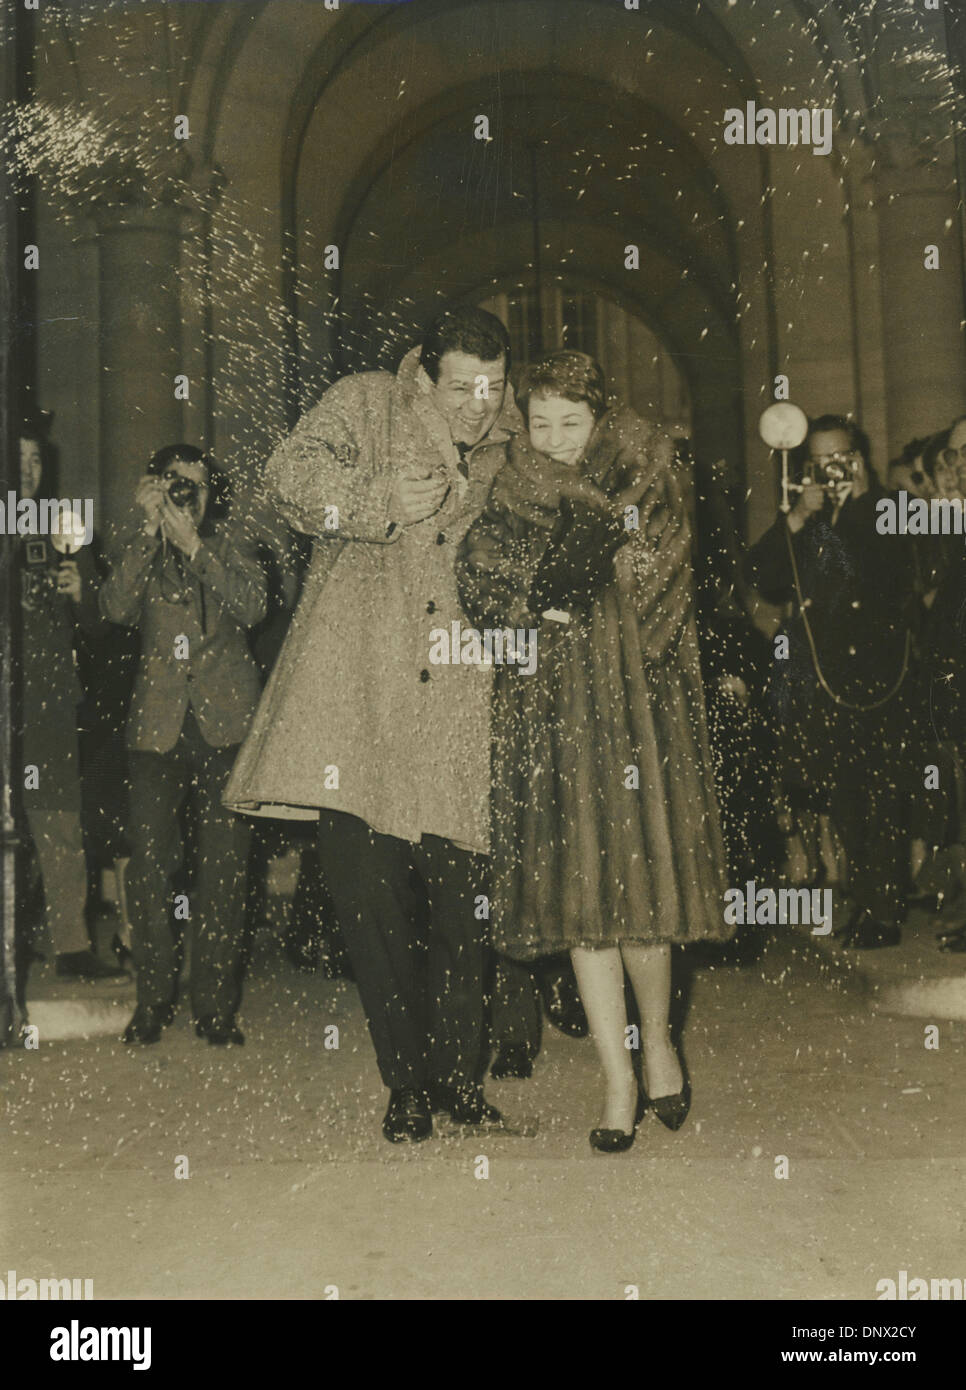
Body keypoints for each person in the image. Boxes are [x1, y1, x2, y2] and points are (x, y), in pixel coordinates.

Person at [225, 306, 518, 1142]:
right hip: (356, 707)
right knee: (372, 904)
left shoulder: (511, 445)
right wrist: (375, 498)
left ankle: (460, 1082)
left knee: (466, 906)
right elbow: (288, 476)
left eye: (493, 388)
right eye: (462, 386)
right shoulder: (362, 402)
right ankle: (408, 1089)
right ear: (425, 372)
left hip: (462, 704)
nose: (478, 404)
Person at [456, 351, 730, 1152]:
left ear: (600, 419)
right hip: (553, 714)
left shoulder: (647, 476)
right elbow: (479, 581)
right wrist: (530, 604)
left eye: (570, 424)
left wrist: (600, 564)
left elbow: (668, 584)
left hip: (639, 713)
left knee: (645, 906)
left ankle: (659, 1042)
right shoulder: (509, 487)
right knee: (585, 907)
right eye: (539, 424)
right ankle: (616, 1080)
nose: (553, 440)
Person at [100, 444, 266, 1044]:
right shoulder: (139, 547)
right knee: (149, 870)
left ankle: (215, 1010)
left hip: (226, 725)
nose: (184, 495)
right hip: (157, 727)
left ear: (210, 493)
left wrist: (196, 547)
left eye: (195, 485)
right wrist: (149, 532)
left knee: (225, 870)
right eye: (174, 483)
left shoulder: (234, 544)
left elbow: (254, 606)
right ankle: (151, 1002)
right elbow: (112, 608)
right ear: (154, 485)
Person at [744, 414, 922, 949]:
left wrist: (866, 502)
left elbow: (900, 573)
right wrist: (797, 516)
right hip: (826, 677)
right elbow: (761, 575)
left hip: (880, 675)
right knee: (844, 797)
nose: (831, 471)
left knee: (881, 794)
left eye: (840, 459)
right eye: (819, 463)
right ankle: (866, 902)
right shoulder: (811, 519)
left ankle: (883, 911)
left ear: (860, 458)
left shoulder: (891, 508)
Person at [14, 421, 125, 982]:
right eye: (18, 457)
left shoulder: (63, 528)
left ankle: (71, 946)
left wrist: (81, 590)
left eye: (36, 459)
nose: (28, 469)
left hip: (52, 700)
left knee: (60, 822)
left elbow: (100, 626)